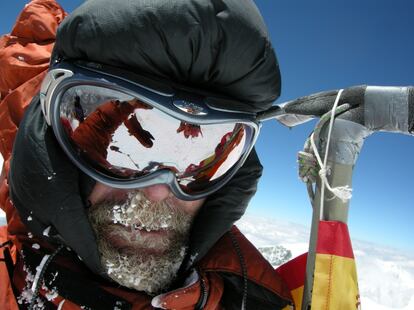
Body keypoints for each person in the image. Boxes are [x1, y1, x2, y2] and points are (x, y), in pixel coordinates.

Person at [0, 0, 293, 309]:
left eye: (198, 164)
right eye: (125, 154)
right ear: (60, 154)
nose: (157, 192)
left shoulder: (254, 295)